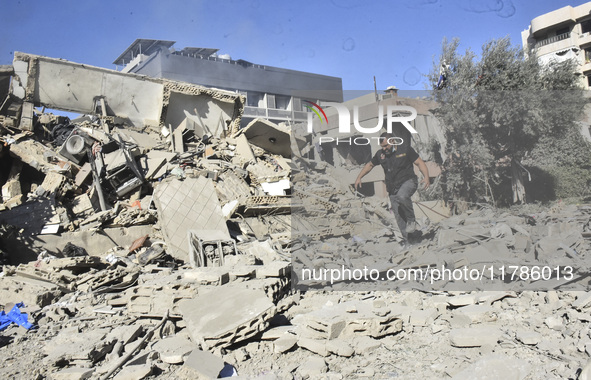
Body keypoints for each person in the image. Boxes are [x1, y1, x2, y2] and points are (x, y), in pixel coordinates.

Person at [354, 132, 430, 243]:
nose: (384, 149)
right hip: (392, 188)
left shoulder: (405, 149)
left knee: (402, 196)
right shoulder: (380, 154)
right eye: (382, 147)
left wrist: (426, 176)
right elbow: (370, 165)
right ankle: (409, 242)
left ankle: (411, 220)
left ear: (392, 141)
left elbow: (419, 163)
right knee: (399, 217)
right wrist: (359, 177)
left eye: (386, 146)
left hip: (408, 181)